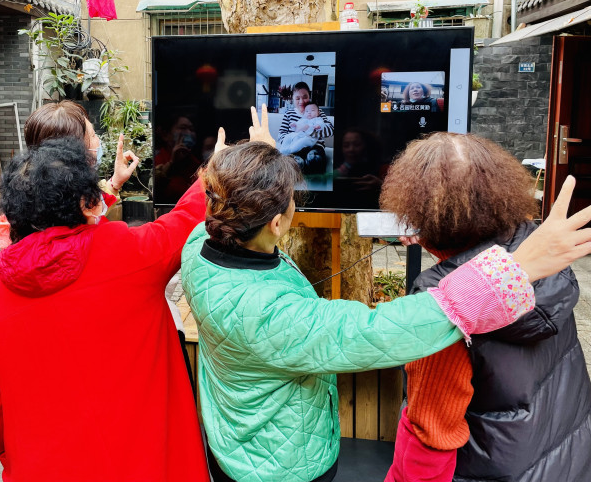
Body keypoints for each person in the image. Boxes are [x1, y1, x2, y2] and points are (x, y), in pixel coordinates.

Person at [180, 129, 591, 482]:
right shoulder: (551, 275)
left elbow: (429, 436)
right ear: (275, 224)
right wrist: (516, 267)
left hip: (238, 440)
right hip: (276, 465)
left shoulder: (198, 245)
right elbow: (375, 331)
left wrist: (252, 166)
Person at [0, 131, 234, 481]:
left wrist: (4, 449)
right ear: (84, 203)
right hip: (140, 458)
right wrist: (216, 169)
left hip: (43, 462)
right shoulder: (128, 252)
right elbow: (184, 220)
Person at [380, 133, 591, 482]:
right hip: (563, 459)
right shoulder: (541, 253)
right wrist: (441, 242)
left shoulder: (442, 301)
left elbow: (431, 436)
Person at [24, 100, 139, 205]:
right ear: (74, 152)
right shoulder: (74, 210)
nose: (98, 140)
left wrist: (116, 182)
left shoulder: (39, 198)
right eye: (93, 135)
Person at [277, 82, 333, 173]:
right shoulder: (289, 114)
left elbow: (331, 130)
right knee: (292, 164)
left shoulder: (317, 112)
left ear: (309, 97)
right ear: (292, 99)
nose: (301, 101)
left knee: (315, 160)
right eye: (297, 98)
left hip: (315, 146)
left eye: (305, 97)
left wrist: (309, 130)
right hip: (295, 148)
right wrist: (294, 141)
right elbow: (281, 134)